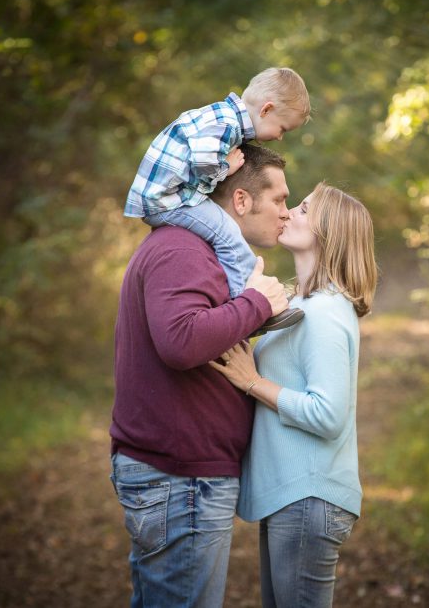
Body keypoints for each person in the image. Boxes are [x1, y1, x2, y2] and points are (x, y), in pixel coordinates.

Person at [110, 144, 294, 607]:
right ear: (241, 201)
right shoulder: (183, 250)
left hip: (183, 477)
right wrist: (256, 303)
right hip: (180, 477)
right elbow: (181, 341)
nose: (287, 214)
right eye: (280, 200)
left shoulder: (198, 251)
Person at [209, 182, 377, 607]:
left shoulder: (325, 313)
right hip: (293, 495)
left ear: (329, 232)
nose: (288, 213)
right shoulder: (303, 305)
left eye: (302, 208)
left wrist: (253, 382)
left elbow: (328, 413)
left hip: (309, 496)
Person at [123, 67, 310, 334]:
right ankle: (248, 303)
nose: (280, 137)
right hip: (167, 200)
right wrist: (227, 168)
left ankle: (244, 302)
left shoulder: (221, 116)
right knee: (228, 234)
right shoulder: (226, 124)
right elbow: (202, 161)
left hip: (166, 197)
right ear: (266, 110)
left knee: (224, 234)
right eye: (282, 129)